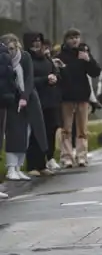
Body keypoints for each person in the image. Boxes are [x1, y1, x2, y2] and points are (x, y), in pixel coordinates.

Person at [0, 33, 48, 181]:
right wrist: (18, 96)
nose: (11, 51)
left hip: (28, 97)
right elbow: (8, 80)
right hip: (13, 99)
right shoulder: (4, 60)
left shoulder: (25, 57)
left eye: (13, 48)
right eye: (8, 48)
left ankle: (19, 166)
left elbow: (29, 78)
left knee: (27, 133)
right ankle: (11, 167)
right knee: (15, 133)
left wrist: (25, 96)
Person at [56, 28, 102, 168]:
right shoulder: (61, 56)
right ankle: (67, 156)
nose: (74, 40)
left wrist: (88, 60)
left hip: (82, 95)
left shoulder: (84, 53)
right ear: (66, 40)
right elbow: (59, 76)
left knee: (82, 128)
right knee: (66, 129)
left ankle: (82, 155)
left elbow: (95, 72)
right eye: (71, 38)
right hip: (66, 97)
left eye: (76, 37)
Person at [23, 32, 62, 175]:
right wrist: (45, 79)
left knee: (50, 132)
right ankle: (33, 165)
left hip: (51, 100)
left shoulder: (46, 58)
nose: (37, 43)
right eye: (34, 41)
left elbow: (56, 72)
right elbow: (28, 81)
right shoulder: (26, 59)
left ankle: (44, 163)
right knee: (35, 134)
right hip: (36, 100)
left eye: (39, 40)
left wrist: (55, 78)